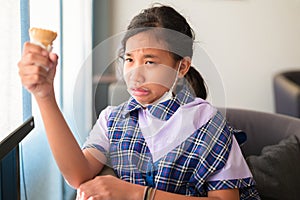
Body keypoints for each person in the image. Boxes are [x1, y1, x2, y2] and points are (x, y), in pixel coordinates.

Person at [18, 4, 260, 200]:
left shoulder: (207, 123)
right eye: (130, 59)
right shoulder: (113, 119)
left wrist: (139, 194)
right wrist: (44, 95)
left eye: (150, 62)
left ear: (182, 66)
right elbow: (77, 174)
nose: (135, 74)